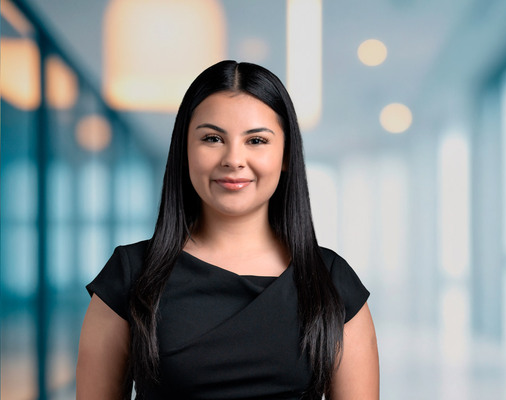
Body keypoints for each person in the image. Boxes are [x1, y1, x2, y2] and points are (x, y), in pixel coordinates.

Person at [76, 60, 379, 399]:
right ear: (185, 150)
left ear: (287, 155)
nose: (233, 159)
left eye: (257, 141)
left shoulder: (332, 281)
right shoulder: (130, 274)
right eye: (213, 138)